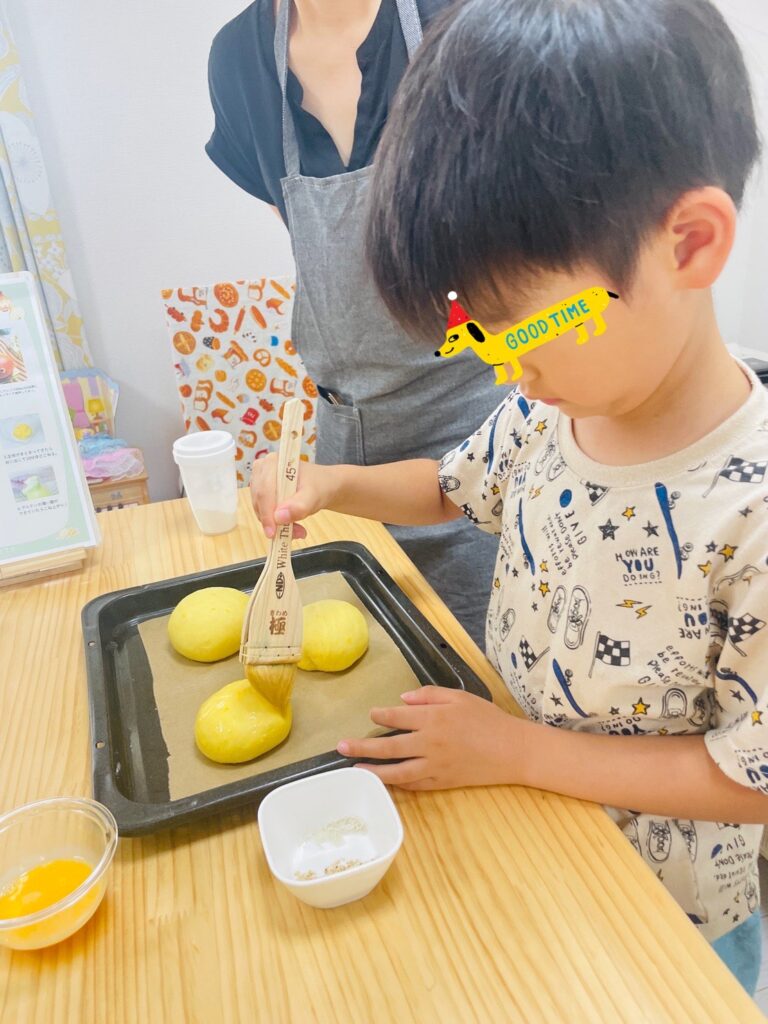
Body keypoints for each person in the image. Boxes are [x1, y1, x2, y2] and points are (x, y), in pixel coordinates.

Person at [250, 0, 768, 994]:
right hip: (537, 846)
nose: (502, 365)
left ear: (689, 243)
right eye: (476, 334)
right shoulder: (553, 407)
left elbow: (752, 778)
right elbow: (449, 488)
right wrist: (334, 483)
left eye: (520, 326)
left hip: (672, 927)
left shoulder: (749, 508)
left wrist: (519, 751)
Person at [205, 0, 501, 647]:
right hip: (346, 434)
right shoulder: (239, 60)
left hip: (485, 420)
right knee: (366, 657)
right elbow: (319, 242)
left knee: (495, 667)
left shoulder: (468, 20)